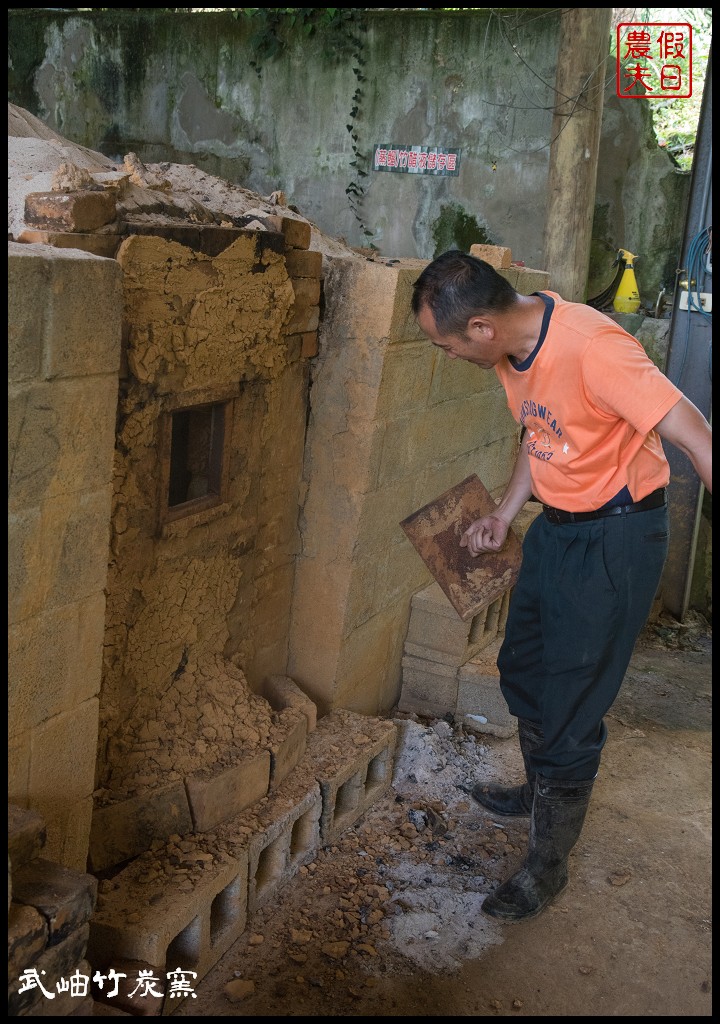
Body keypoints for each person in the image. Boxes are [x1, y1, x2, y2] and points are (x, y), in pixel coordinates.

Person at [411, 250, 712, 923]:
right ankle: (541, 787)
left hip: (617, 538)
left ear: (481, 328)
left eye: (445, 342)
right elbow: (538, 433)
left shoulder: (592, 348)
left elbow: (696, 433)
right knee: (523, 666)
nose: (446, 353)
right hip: (558, 530)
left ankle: (546, 870)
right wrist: (504, 512)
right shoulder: (513, 352)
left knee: (571, 704)